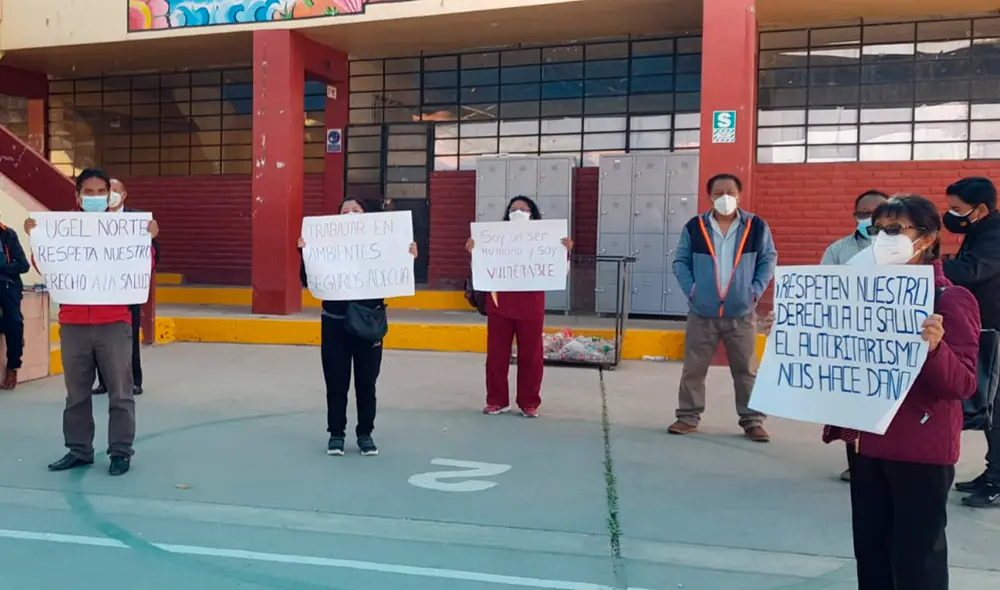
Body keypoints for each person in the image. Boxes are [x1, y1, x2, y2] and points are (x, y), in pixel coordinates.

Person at [825, 195, 978, 590]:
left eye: (894, 230)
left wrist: (935, 349)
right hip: (867, 444)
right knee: (872, 552)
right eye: (877, 230)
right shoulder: (858, 295)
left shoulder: (950, 299)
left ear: (927, 238)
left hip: (920, 449)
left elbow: (963, 383)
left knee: (916, 559)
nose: (882, 238)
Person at [24, 168, 159, 477]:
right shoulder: (61, 229)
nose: (95, 197)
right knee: (76, 394)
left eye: (101, 192)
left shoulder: (128, 229)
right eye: (89, 192)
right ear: (78, 196)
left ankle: (120, 452)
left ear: (109, 196)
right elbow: (44, 265)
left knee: (120, 393)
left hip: (114, 323)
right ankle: (79, 450)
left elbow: (145, 265)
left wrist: (148, 240)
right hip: (73, 324)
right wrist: (37, 239)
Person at [297, 198, 417, 457]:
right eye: (345, 211)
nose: (350, 214)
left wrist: (407, 256)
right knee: (336, 382)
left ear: (366, 215)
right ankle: (336, 434)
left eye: (356, 210)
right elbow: (308, 280)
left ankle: (365, 434)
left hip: (369, 322)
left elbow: (396, 274)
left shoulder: (382, 244)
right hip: (334, 321)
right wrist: (306, 254)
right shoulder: (326, 245)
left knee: (366, 382)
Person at [668, 173, 777, 442]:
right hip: (702, 312)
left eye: (730, 192)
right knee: (693, 369)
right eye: (718, 193)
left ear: (739, 195)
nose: (725, 197)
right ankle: (687, 417)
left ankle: (752, 421)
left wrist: (754, 291)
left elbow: (768, 259)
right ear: (709, 197)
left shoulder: (756, 226)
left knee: (746, 370)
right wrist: (693, 291)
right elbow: (680, 261)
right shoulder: (695, 227)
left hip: (741, 313)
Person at [464, 195, 573, 418]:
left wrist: (565, 251)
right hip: (500, 304)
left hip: (531, 305)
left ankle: (529, 402)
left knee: (531, 356)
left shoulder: (545, 240)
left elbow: (560, 272)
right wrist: (474, 252)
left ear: (533, 214)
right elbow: (481, 270)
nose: (518, 213)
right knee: (496, 355)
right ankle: (496, 400)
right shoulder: (496, 240)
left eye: (524, 209)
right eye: (514, 209)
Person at [820, 189, 889, 482]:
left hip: (891, 343)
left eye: (877, 213)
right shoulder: (838, 250)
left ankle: (888, 466)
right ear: (854, 216)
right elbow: (821, 289)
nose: (869, 218)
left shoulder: (908, 250)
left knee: (888, 409)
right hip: (850, 342)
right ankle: (857, 465)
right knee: (852, 410)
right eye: (864, 213)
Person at [941, 176, 1000, 508]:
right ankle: (993, 472)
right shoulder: (980, 231)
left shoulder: (996, 235)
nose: (951, 214)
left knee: (997, 409)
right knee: (990, 409)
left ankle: (998, 481)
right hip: (986, 328)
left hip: (997, 331)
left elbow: (973, 270)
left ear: (980, 209)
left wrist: (933, 265)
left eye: (957, 208)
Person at [93, 179, 159, 397]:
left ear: (124, 195)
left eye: (115, 190)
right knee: (100, 339)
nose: (110, 195)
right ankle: (104, 382)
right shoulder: (92, 219)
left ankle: (134, 381)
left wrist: (152, 237)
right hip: (100, 289)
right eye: (107, 191)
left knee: (129, 338)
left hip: (128, 290)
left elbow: (154, 254)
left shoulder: (138, 220)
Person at [0, 218, 30, 390]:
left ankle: (12, 367)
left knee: (14, 324)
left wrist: (3, 267)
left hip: (7, 284)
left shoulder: (8, 234)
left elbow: (23, 265)